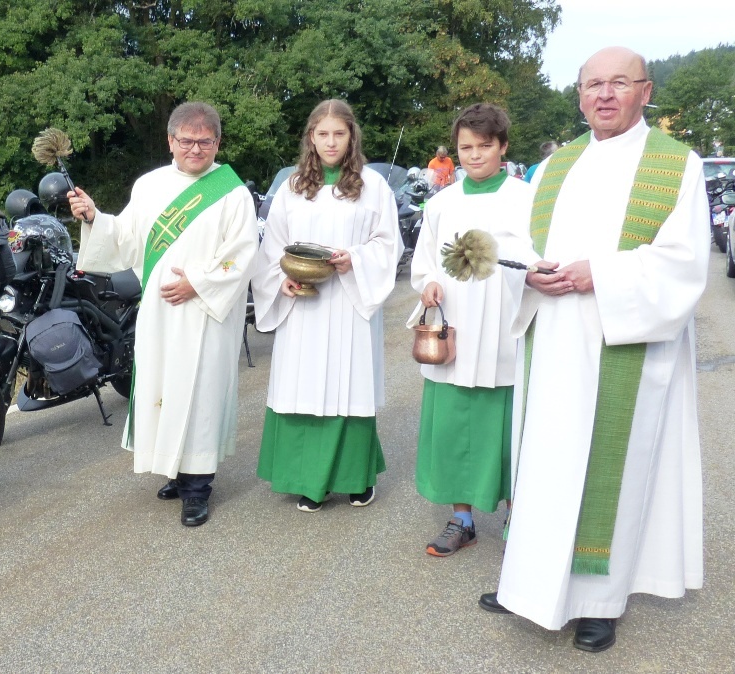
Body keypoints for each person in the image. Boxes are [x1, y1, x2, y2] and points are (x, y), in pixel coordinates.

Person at [479, 46, 707, 653]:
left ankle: (598, 602)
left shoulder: (676, 166)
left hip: (621, 338)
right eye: (592, 85)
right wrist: (526, 273)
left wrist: (597, 275)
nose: (604, 95)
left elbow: (684, 263)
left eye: (619, 83)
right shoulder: (555, 166)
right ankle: (527, 583)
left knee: (608, 470)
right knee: (546, 461)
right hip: (552, 339)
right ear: (579, 95)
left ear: (646, 90)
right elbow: (520, 243)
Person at [66, 101, 259, 528]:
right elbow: (127, 239)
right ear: (170, 141)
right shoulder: (150, 185)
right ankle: (175, 468)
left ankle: (197, 488)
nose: (195, 149)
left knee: (201, 392)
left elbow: (243, 255)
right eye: (186, 141)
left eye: (204, 141)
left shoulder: (231, 192)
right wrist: (95, 216)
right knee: (165, 388)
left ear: (217, 143)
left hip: (207, 312)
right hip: (159, 310)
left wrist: (199, 283)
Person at [251, 99, 401, 512]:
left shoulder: (373, 186)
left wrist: (355, 259)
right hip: (304, 308)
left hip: (350, 304)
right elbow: (273, 247)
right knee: (304, 386)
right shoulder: (294, 188)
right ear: (311, 138)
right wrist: (283, 280)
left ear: (351, 136)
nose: (330, 142)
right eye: (322, 134)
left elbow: (388, 244)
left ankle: (356, 479)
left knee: (349, 386)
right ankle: (307, 481)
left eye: (339, 133)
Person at [407, 103, 533, 556]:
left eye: (484, 146)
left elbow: (539, 258)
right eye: (465, 148)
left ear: (503, 147)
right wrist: (429, 285)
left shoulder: (527, 198)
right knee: (456, 426)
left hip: (505, 328)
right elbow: (423, 265)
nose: (474, 156)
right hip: (457, 328)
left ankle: (520, 513)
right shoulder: (442, 203)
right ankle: (462, 518)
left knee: (510, 427)